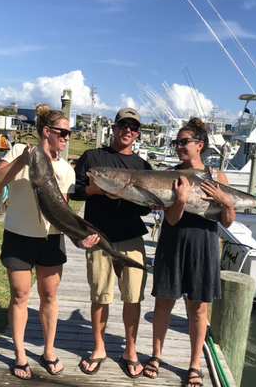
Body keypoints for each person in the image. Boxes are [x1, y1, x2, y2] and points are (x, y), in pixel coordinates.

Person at [0, 104, 99, 380]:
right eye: (63, 132)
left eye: (69, 133)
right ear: (47, 132)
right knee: (20, 297)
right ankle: (20, 355)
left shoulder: (66, 168)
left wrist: (79, 238)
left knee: (50, 296)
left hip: (51, 240)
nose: (67, 137)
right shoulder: (18, 152)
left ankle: (48, 350)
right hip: (19, 235)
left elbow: (62, 210)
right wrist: (21, 162)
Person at [143, 118, 235, 387]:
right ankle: (156, 356)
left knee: (198, 309)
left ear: (200, 145)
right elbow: (170, 220)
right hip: (172, 243)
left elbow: (227, 221)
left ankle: (195, 365)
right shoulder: (170, 174)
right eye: (177, 142)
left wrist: (225, 201)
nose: (179, 146)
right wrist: (181, 199)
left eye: (184, 142)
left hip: (204, 246)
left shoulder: (217, 177)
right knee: (163, 303)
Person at [71, 107, 152, 378]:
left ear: (138, 133)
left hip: (131, 236)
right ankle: (99, 347)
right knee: (100, 295)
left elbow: (145, 210)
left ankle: (130, 349)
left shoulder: (142, 166)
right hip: (99, 236)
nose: (128, 131)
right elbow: (75, 191)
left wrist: (152, 203)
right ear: (114, 128)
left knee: (133, 296)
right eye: (123, 125)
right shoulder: (93, 157)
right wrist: (94, 190)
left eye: (134, 127)